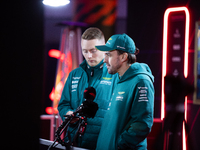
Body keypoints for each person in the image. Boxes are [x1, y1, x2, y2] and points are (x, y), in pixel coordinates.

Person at [57, 27, 116, 149]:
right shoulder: (74, 75)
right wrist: (68, 114)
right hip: (73, 143)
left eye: (93, 50)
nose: (89, 56)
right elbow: (63, 105)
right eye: (85, 51)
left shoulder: (115, 75)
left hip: (102, 145)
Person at [95, 33, 155, 150]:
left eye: (109, 55)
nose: (104, 60)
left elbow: (142, 124)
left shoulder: (141, 81)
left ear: (123, 57)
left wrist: (120, 146)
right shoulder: (117, 78)